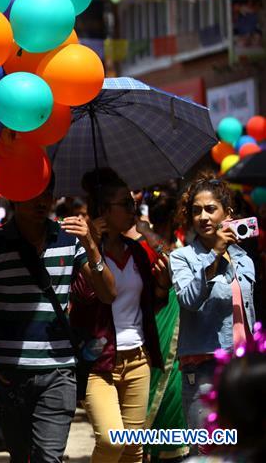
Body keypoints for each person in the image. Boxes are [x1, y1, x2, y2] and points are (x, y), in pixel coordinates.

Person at [0, 172, 117, 463]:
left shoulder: (70, 240)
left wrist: (92, 245)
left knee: (49, 458)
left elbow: (108, 294)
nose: (42, 200)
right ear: (14, 196)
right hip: (8, 376)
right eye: (33, 191)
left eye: (47, 192)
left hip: (58, 373)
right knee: (20, 457)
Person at [72, 169, 168, 463]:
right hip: (99, 364)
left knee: (133, 448)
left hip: (138, 359)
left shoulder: (137, 251)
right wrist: (92, 246)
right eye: (125, 204)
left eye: (133, 203)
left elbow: (154, 300)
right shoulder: (81, 252)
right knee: (113, 440)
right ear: (104, 210)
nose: (133, 209)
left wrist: (162, 284)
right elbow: (86, 298)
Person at [169, 174, 256, 452]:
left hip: (242, 370)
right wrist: (214, 256)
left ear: (227, 214)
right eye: (196, 210)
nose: (203, 217)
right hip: (204, 369)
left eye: (210, 209)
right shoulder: (182, 257)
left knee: (243, 450)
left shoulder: (244, 258)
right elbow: (189, 300)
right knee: (207, 452)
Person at [135, 192, 189, 462]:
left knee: (172, 388)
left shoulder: (168, 243)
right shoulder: (145, 246)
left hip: (175, 324)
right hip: (157, 318)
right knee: (159, 382)